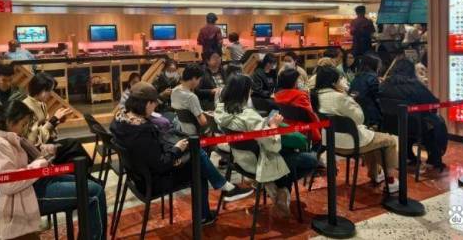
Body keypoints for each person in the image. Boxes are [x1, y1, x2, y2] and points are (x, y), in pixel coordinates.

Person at [111, 82, 253, 226]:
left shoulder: (120, 121)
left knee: (197, 157)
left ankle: (219, 194)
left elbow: (151, 150)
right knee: (198, 169)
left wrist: (174, 148)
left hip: (137, 175)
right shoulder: (141, 131)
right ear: (147, 104)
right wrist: (177, 149)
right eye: (154, 104)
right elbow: (161, 164)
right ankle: (215, 201)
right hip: (152, 181)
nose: (155, 108)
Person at [0, 100, 107, 239]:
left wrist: (43, 154)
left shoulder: (2, 137)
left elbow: (21, 162)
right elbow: (9, 183)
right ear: (10, 121)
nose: (23, 129)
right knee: (94, 192)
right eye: (23, 124)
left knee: (92, 185)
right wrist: (40, 162)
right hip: (26, 194)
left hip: (33, 184)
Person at [216, 74, 318, 217]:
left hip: (240, 160)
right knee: (312, 160)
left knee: (290, 154)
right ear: (244, 92)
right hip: (261, 163)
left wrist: (264, 123)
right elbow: (273, 146)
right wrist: (274, 125)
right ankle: (281, 189)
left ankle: (279, 189)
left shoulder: (221, 110)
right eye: (250, 90)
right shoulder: (249, 116)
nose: (251, 93)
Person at [312, 66, 399, 193]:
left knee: (373, 139)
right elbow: (359, 118)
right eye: (340, 79)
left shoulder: (314, 96)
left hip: (329, 142)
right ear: (334, 82)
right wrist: (351, 100)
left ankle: (375, 173)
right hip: (349, 144)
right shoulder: (340, 97)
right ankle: (390, 180)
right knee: (389, 140)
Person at [380, 59, 447, 170]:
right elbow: (433, 103)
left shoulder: (384, 85)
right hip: (415, 127)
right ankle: (434, 158)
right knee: (437, 123)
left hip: (391, 126)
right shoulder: (415, 86)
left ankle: (408, 155)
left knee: (412, 121)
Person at [22, 73, 74, 147]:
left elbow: (47, 127)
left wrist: (57, 121)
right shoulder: (26, 107)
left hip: (45, 144)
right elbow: (33, 139)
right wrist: (53, 119)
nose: (50, 94)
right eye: (49, 91)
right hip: (36, 149)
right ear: (40, 89)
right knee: (73, 144)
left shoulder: (42, 104)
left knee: (72, 143)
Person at [273, 67, 322, 145]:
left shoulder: (277, 95)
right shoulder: (301, 96)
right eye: (297, 80)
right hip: (303, 130)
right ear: (294, 82)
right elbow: (311, 116)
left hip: (284, 125)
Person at [171, 63, 207, 135]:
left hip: (180, 129)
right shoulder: (191, 97)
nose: (199, 83)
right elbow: (203, 122)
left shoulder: (174, 91)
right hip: (193, 134)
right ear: (194, 78)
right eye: (199, 80)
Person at [348, 54, 383, 128]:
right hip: (371, 116)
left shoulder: (356, 77)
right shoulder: (373, 78)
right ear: (374, 65)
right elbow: (377, 98)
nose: (380, 67)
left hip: (357, 112)